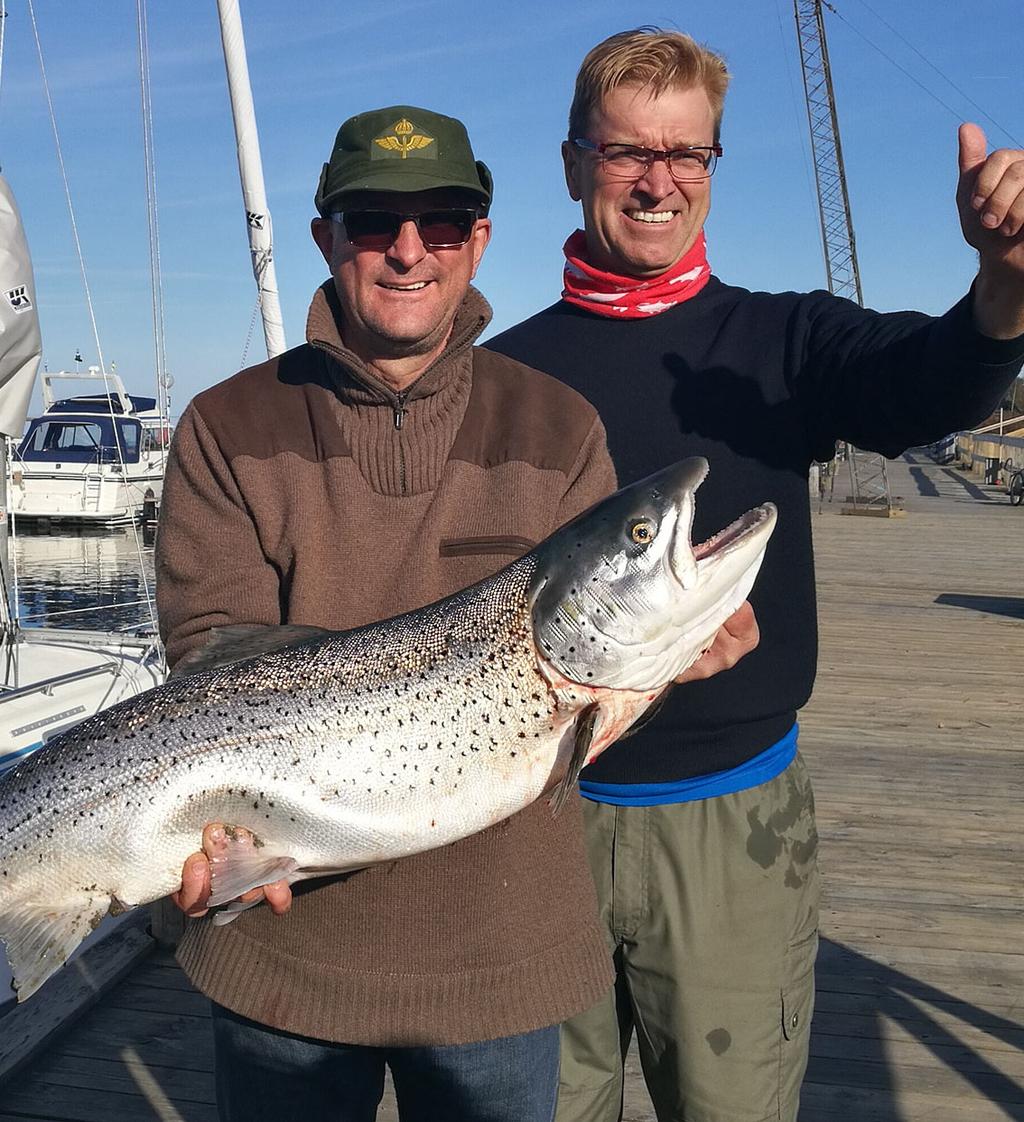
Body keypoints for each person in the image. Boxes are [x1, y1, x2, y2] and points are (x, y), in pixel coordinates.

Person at [487, 27, 1024, 1122]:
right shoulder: (503, 376)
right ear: (572, 164)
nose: (658, 181)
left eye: (689, 154)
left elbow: (921, 387)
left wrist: (1003, 292)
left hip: (733, 824)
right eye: (628, 151)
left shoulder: (783, 340)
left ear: (715, 167)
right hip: (533, 825)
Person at [156, 105, 625, 1122]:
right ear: (327, 235)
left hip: (498, 971)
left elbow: (597, 683)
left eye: (443, 221)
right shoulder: (225, 425)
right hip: (282, 961)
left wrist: (671, 664)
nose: (408, 250)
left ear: (480, 239)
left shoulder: (558, 427)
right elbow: (209, 658)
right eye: (374, 221)